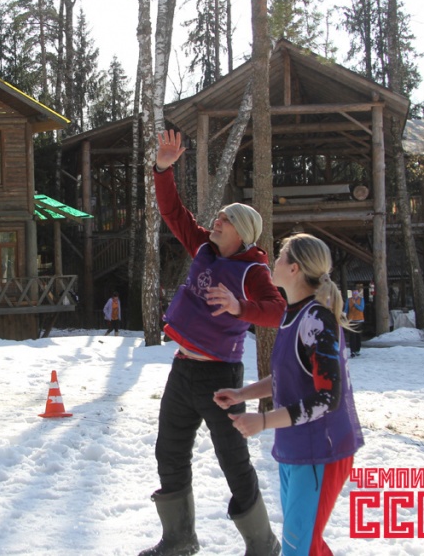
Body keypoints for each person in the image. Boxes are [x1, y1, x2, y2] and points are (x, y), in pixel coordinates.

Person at [140, 129, 287, 556]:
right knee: (169, 452)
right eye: (217, 218)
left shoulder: (253, 271)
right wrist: (163, 169)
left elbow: (278, 311)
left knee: (233, 461)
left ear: (242, 232)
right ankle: (179, 539)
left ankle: (262, 544)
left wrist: (241, 307)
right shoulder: (204, 249)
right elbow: (173, 212)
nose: (216, 222)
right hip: (183, 370)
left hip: (220, 377)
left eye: (225, 219)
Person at [215, 233, 364, 556]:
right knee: (305, 545)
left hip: (321, 450)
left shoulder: (317, 320)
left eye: (281, 256)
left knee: (299, 548)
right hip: (295, 448)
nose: (274, 262)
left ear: (295, 268)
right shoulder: (292, 314)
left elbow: (327, 398)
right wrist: (242, 392)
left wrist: (263, 421)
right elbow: (289, 375)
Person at [344, 284, 364, 357]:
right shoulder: (349, 300)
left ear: (358, 293)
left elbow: (361, 308)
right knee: (352, 336)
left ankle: (357, 350)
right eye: (353, 292)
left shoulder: (361, 299)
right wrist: (344, 315)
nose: (354, 294)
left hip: (359, 320)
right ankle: (352, 351)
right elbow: (346, 309)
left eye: (356, 292)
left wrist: (355, 304)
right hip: (351, 320)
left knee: (358, 336)